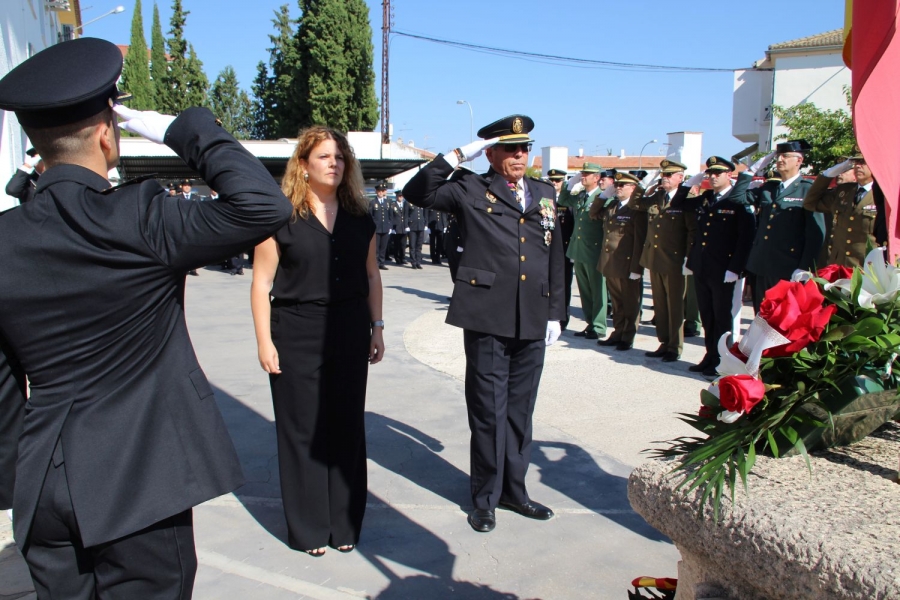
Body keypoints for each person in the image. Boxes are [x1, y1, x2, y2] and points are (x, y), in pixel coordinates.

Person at [0, 37, 292, 598]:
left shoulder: (5, 238)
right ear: (107, 132)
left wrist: (16, 480)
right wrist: (185, 129)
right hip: (138, 483)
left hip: (41, 483)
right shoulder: (139, 215)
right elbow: (263, 205)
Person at [404, 114, 564, 534]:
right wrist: (458, 155)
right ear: (489, 153)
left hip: (532, 314)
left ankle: (515, 490)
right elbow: (417, 192)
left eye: (524, 148)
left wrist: (555, 313)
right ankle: (485, 498)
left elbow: (554, 259)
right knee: (489, 411)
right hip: (487, 314)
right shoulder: (470, 186)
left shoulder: (544, 193)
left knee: (519, 411)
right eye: (509, 148)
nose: (518, 155)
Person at [251, 126, 384, 556]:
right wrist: (263, 342)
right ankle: (309, 529)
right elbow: (261, 282)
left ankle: (344, 524)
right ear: (303, 166)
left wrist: (377, 326)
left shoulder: (360, 216)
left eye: (340, 158)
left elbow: (371, 275)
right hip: (295, 330)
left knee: (346, 426)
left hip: (348, 329)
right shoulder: (281, 216)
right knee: (303, 430)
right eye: (325, 157)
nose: (334, 163)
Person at [684, 156, 755, 377]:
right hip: (703, 266)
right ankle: (710, 356)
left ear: (729, 175)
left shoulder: (739, 201)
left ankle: (725, 359)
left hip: (724, 269)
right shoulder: (706, 198)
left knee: (723, 317)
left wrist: (735, 268)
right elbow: (680, 204)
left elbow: (745, 238)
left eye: (718, 173)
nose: (712, 177)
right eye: (709, 174)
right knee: (707, 315)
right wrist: (690, 182)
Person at [740, 142, 823, 311]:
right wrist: (751, 170)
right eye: (778, 156)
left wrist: (805, 267)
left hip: (787, 266)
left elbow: (815, 233)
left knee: (783, 319)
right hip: (761, 264)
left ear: (799, 160)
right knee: (761, 318)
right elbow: (737, 197)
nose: (780, 159)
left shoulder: (807, 190)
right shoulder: (770, 188)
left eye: (785, 156)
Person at [632, 159, 695, 362]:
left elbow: (691, 231)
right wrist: (645, 186)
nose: (664, 178)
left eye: (669, 175)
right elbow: (635, 204)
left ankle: (675, 347)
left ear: (680, 177)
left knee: (675, 305)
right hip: (655, 258)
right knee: (660, 304)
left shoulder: (687, 198)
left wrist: (688, 257)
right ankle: (664, 341)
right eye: (663, 175)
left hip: (675, 261)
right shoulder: (657, 196)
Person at [802, 151, 886, 267]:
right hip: (839, 266)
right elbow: (810, 203)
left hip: (867, 267)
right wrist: (827, 175)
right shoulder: (843, 191)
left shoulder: (883, 194)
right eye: (856, 162)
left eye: (862, 162)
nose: (857, 166)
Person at [594, 172, 648, 351]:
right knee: (617, 303)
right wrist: (603, 196)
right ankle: (617, 332)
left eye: (622, 185)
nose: (618, 188)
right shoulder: (612, 206)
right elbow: (593, 213)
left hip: (627, 264)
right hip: (611, 263)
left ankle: (628, 336)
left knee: (630, 302)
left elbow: (639, 240)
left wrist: (636, 268)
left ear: (633, 188)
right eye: (616, 185)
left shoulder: (637, 210)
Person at [558, 163, 609, 340]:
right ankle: (590, 323)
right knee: (585, 290)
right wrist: (568, 184)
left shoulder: (602, 198)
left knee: (598, 290)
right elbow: (562, 200)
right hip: (579, 250)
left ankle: (599, 325)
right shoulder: (580, 196)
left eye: (587, 174)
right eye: (583, 173)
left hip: (594, 250)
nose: (583, 176)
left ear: (597, 178)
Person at [548, 168, 575, 330]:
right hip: (546, 248)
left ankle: (562, 318)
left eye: (557, 181)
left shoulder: (567, 202)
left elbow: (573, 227)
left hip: (564, 250)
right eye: (552, 180)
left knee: (563, 285)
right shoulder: (544, 199)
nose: (554, 183)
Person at [370, 183, 392, 270]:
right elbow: (370, 216)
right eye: (379, 191)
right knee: (376, 248)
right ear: (376, 192)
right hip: (377, 228)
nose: (380, 193)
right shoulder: (372, 202)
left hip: (385, 228)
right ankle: (376, 263)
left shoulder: (387, 202)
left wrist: (390, 226)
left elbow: (390, 216)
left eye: (382, 191)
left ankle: (382, 263)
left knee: (383, 247)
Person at [405, 191, 427, 269]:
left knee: (419, 245)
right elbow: (406, 215)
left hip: (420, 226)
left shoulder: (421, 202)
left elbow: (425, 213)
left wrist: (425, 223)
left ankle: (418, 262)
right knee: (412, 245)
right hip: (412, 226)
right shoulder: (408, 202)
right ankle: (413, 262)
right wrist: (406, 225)